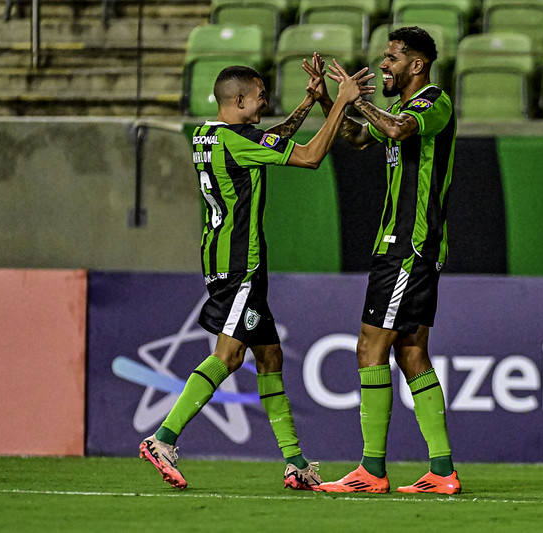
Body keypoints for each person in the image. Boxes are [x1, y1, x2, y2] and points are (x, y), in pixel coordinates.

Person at [139, 57, 373, 490]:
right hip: (238, 268)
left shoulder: (207, 135)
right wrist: (339, 102)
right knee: (229, 356)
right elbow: (308, 157)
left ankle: (296, 463)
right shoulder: (238, 140)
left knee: (270, 358)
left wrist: (307, 104)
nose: (265, 103)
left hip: (223, 262)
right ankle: (164, 437)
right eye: (261, 97)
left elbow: (269, 137)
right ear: (240, 99)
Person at [304, 26, 460, 495]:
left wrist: (353, 98)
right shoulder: (396, 108)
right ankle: (442, 470)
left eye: (392, 58)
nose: (383, 66)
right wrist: (329, 101)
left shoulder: (434, 102)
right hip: (404, 246)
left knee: (369, 348)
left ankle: (371, 470)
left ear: (417, 65)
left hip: (408, 246)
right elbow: (357, 137)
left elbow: (394, 128)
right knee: (411, 353)